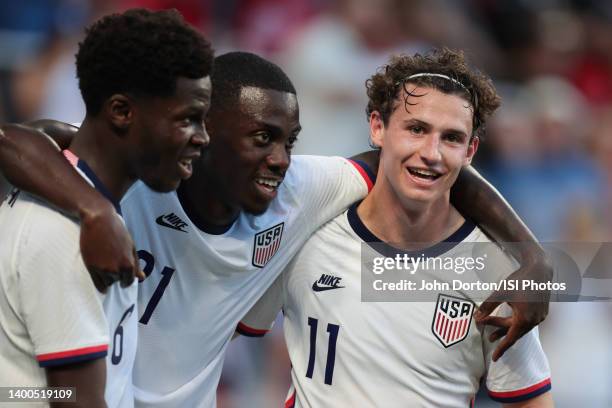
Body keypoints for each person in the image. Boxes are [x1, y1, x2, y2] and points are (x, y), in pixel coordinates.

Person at [0, 52, 550, 407]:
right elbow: (17, 139)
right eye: (261, 138)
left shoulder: (303, 195)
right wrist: (94, 211)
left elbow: (427, 166)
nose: (282, 159)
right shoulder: (130, 184)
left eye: (289, 140)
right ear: (201, 133)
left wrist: (536, 261)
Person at [239, 49, 553, 407]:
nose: (431, 153)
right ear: (377, 127)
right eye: (416, 129)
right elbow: (221, 329)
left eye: (451, 138)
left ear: (470, 152)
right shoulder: (307, 234)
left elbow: (532, 402)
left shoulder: (498, 274)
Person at [0, 8, 213, 408]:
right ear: (121, 111)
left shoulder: (86, 199)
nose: (202, 138)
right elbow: (74, 398)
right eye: (189, 119)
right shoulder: (68, 233)